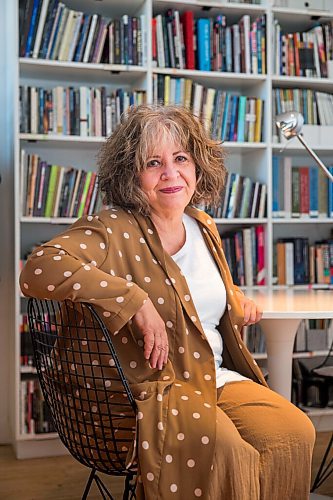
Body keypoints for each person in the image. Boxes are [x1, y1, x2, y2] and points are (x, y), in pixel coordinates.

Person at [20, 104, 315, 500]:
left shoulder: (202, 224)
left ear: (198, 166)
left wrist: (233, 298)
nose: (171, 173)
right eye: (153, 163)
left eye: (181, 158)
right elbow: (39, 268)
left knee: (293, 430)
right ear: (130, 175)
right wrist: (133, 300)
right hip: (146, 391)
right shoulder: (112, 227)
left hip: (211, 376)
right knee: (223, 449)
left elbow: (194, 291)